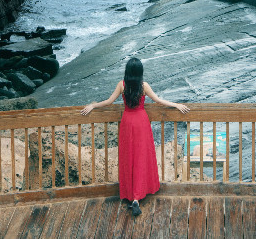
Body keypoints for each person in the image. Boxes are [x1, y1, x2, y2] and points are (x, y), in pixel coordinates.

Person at [80, 57, 189, 216]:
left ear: (127, 71)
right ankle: (139, 195)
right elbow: (158, 101)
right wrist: (176, 105)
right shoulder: (143, 86)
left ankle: (131, 195)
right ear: (140, 72)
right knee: (141, 157)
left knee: (128, 157)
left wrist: (92, 105)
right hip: (141, 123)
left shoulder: (122, 85)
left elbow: (109, 101)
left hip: (127, 122)